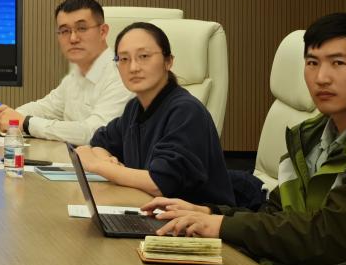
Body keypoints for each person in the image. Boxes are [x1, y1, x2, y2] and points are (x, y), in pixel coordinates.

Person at [146, 13, 346, 265]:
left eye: (338, 63)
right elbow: (275, 214)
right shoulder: (313, 134)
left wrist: (221, 225)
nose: (321, 78)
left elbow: (327, 236)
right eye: (312, 63)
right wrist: (208, 212)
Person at [75, 22, 234, 205]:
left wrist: (98, 165)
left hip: (195, 218)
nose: (133, 67)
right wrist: (107, 161)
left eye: (143, 56)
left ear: (168, 61)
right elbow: (100, 142)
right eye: (124, 59)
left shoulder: (186, 111)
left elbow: (160, 183)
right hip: (149, 209)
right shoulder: (135, 107)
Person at [0, 0, 131, 144]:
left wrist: (25, 122)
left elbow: (95, 132)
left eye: (82, 28)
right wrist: (8, 115)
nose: (73, 38)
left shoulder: (122, 74)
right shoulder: (77, 75)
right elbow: (46, 108)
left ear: (103, 31)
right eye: (65, 31)